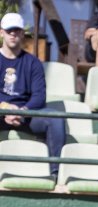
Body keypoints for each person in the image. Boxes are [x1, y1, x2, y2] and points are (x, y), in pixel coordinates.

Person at [0, 13, 67, 175]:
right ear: (1, 32)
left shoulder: (33, 62)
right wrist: (6, 109)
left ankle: (55, 173)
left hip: (25, 114)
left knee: (55, 118)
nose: (13, 34)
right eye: (9, 31)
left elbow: (39, 96)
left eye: (17, 30)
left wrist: (23, 111)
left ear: (23, 33)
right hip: (1, 111)